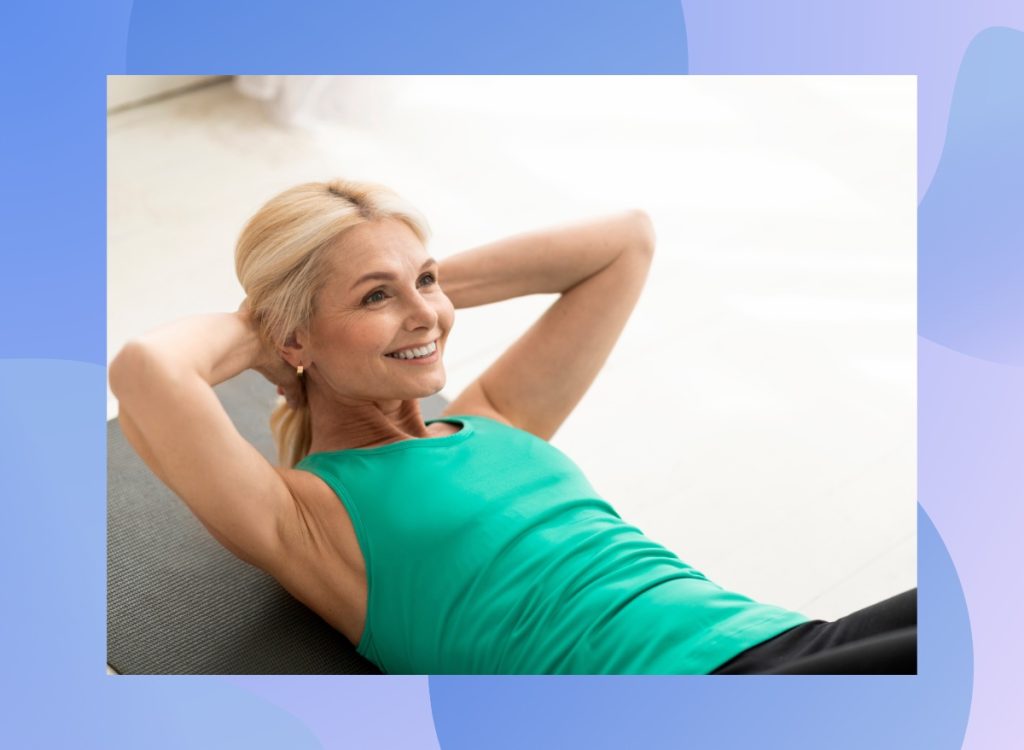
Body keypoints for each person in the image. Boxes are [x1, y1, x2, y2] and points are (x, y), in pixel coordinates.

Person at [109, 179, 916, 675]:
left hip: (786, 645)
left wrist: (395, 283)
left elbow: (624, 240)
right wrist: (277, 326)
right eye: (375, 296)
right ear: (292, 337)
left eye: (426, 280)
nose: (428, 310)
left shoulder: (496, 418)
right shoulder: (307, 516)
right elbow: (148, 369)